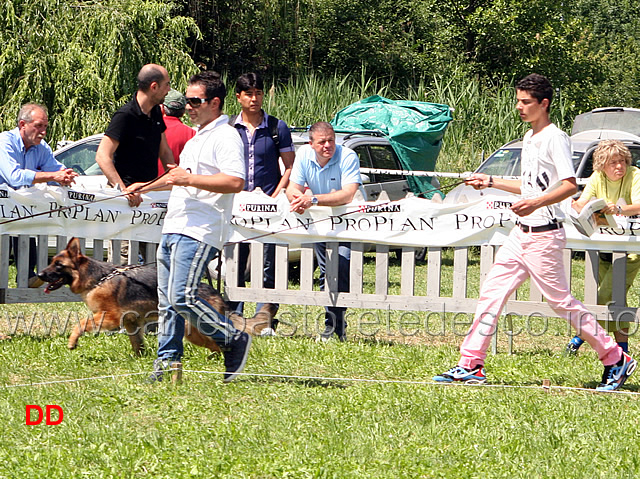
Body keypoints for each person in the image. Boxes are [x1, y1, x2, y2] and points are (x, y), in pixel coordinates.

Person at [433, 74, 636, 392]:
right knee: (490, 294)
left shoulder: (555, 137)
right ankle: (470, 364)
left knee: (562, 303)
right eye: (518, 100)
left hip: (544, 235)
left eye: (526, 101)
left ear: (544, 104)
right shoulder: (529, 139)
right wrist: (489, 182)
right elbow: (529, 187)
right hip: (520, 235)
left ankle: (615, 358)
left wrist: (535, 204)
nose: (520, 107)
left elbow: (569, 185)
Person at [149, 70, 251, 383]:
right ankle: (167, 365)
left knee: (182, 297)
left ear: (215, 102)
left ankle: (232, 338)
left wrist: (187, 178)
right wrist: (143, 187)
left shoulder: (226, 136)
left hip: (199, 229)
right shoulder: (197, 136)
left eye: (196, 101)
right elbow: (178, 179)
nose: (188, 106)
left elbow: (235, 181)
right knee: (167, 302)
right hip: (174, 225)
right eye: (187, 99)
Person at [229, 72, 296, 330]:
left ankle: (264, 318)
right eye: (249, 94)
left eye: (258, 93)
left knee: (270, 262)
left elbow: (290, 167)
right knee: (235, 261)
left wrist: (277, 194)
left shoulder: (277, 127)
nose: (254, 98)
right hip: (237, 206)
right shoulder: (229, 128)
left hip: (270, 205)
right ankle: (234, 317)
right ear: (239, 97)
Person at [286, 121, 362, 341]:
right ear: (311, 144)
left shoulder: (348, 156)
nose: (328, 145)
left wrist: (313, 199)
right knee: (325, 270)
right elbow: (293, 188)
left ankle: (338, 322)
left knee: (342, 266)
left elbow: (348, 193)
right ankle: (331, 326)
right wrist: (296, 200)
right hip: (319, 221)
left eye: (331, 140)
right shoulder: (303, 156)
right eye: (322, 142)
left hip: (348, 222)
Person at [565, 140, 640, 355]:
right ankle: (622, 349)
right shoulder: (596, 177)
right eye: (613, 162)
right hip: (603, 246)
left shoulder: (635, 174)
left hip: (631, 249)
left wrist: (617, 208)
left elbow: (638, 204)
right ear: (602, 165)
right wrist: (578, 205)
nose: (619, 166)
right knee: (617, 300)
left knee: (605, 295)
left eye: (622, 161)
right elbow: (582, 201)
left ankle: (580, 336)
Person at [0, 103, 78, 287]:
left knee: (25, 226)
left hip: (17, 209)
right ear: (22, 125)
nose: (43, 131)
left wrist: (65, 176)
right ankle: (25, 277)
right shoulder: (4, 142)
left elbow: (54, 169)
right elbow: (14, 177)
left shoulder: (42, 147)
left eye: (45, 126)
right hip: (3, 207)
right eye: (38, 126)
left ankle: (26, 276)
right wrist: (53, 176)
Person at [96, 63, 174, 208]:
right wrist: (123, 191)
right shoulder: (125, 115)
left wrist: (175, 177)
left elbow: (164, 151)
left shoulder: (156, 112)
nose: (169, 90)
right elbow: (102, 156)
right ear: (154, 87)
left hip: (148, 193)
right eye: (167, 85)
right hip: (125, 198)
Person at [157, 88, 195, 175]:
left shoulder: (151, 128)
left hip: (146, 184)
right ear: (183, 112)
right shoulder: (192, 134)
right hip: (176, 184)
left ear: (162, 108)